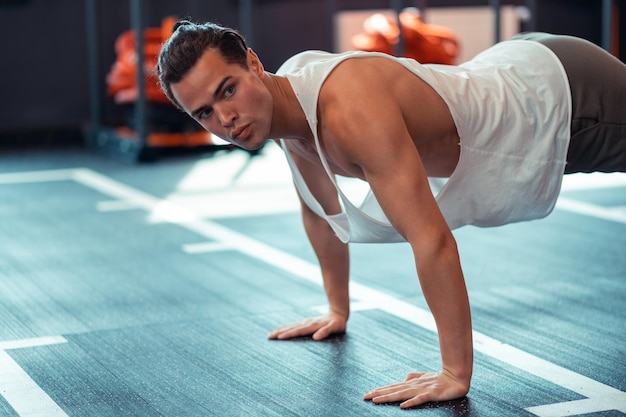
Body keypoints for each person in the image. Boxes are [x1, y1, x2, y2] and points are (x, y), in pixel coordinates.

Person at [157, 20, 626, 409]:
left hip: (566, 99)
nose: (225, 119)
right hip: (520, 68)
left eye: (228, 90)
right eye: (204, 113)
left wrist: (454, 372)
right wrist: (337, 309)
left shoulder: (347, 109)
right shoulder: (284, 111)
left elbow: (432, 239)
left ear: (254, 64)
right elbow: (320, 213)